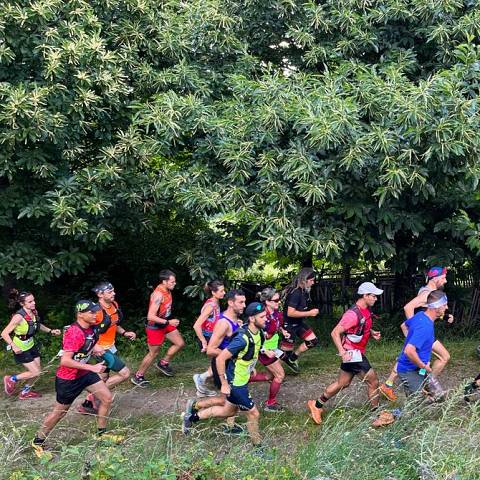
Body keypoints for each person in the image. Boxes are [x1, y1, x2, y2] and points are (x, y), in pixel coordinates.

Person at [32, 300, 121, 457]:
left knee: (107, 398)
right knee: (60, 413)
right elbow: (65, 360)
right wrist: (92, 367)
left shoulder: (92, 328)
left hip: (84, 374)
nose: (95, 315)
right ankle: (37, 442)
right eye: (92, 312)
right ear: (80, 314)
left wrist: (94, 349)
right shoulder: (74, 332)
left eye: (96, 311)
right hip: (68, 378)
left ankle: (101, 435)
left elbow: (87, 344)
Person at [182, 302, 269, 448]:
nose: (266, 319)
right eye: (262, 316)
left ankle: (191, 417)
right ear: (252, 319)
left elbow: (251, 351)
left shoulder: (259, 332)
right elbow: (221, 358)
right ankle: (258, 448)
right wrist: (224, 383)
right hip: (236, 383)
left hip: (243, 377)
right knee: (253, 414)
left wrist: (252, 365)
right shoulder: (241, 339)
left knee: (228, 411)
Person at [307, 282, 384, 425]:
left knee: (343, 383)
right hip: (352, 354)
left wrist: (371, 332)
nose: (376, 299)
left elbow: (360, 326)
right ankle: (378, 415)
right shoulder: (352, 314)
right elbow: (335, 332)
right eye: (373, 296)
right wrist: (342, 352)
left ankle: (316, 405)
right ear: (365, 295)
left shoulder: (366, 310)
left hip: (354, 352)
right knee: (373, 381)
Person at [379, 266, 451, 401]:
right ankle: (427, 384)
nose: (445, 281)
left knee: (412, 356)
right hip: (422, 331)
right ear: (435, 278)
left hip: (424, 331)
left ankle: (390, 384)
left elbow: (429, 311)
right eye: (443, 278)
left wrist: (445, 317)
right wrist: (413, 330)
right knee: (441, 356)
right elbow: (408, 307)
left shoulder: (433, 293)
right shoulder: (427, 293)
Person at [182, 289, 246, 433]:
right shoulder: (223, 323)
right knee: (228, 401)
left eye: (244, 302)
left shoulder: (235, 319)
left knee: (229, 400)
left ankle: (197, 408)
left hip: (231, 364)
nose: (244, 305)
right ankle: (193, 413)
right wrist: (232, 355)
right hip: (222, 364)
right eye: (241, 302)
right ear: (230, 303)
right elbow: (211, 349)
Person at [78, 282, 136, 414]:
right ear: (100, 294)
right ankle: (93, 396)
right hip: (101, 349)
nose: (113, 294)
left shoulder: (114, 305)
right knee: (125, 373)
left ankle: (88, 404)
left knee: (103, 377)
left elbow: (114, 324)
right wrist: (95, 347)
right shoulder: (95, 311)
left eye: (113, 291)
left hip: (111, 346)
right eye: (109, 292)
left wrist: (124, 332)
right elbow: (83, 331)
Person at [2, 290, 61, 399]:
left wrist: (50, 331)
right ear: (22, 304)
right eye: (30, 302)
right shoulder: (18, 317)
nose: (33, 303)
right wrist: (14, 346)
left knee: (37, 370)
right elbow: (4, 333)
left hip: (31, 345)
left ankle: (25, 392)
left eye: (33, 300)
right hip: (20, 347)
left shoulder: (34, 312)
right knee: (36, 372)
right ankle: (11, 379)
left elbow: (37, 325)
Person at [132, 270, 185, 385]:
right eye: (172, 282)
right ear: (164, 282)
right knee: (153, 353)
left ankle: (163, 363)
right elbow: (150, 316)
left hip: (164, 323)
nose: (174, 284)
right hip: (154, 326)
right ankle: (138, 376)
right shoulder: (158, 294)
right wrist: (168, 322)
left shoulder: (167, 290)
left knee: (179, 343)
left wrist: (167, 322)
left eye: (175, 281)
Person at [395, 290, 448, 399]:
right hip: (410, 370)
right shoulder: (425, 327)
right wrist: (423, 365)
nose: (446, 308)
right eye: (444, 305)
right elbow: (409, 351)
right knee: (415, 404)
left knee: (439, 396)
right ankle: (389, 416)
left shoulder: (421, 315)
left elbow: (403, 326)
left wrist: (410, 340)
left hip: (419, 369)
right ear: (436, 307)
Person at [249, 287, 288, 412]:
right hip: (265, 350)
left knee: (269, 376)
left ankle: (240, 380)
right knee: (280, 375)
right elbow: (255, 335)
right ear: (267, 302)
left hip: (273, 348)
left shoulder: (275, 312)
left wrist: (283, 331)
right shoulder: (262, 316)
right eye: (276, 300)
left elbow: (277, 324)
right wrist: (263, 350)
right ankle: (270, 403)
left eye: (279, 299)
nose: (279, 302)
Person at [281, 268, 319, 373]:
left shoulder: (304, 291)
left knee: (313, 341)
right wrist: (310, 313)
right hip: (289, 325)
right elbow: (290, 313)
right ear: (304, 280)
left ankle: (293, 358)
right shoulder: (295, 293)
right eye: (311, 280)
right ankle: (274, 373)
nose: (313, 282)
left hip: (298, 323)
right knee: (283, 354)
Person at [192, 280, 225, 397]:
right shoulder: (211, 306)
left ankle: (202, 379)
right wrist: (203, 342)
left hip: (214, 337)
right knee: (221, 357)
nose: (224, 293)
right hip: (208, 338)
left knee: (220, 359)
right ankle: (209, 382)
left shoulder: (215, 302)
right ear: (213, 292)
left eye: (224, 290)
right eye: (221, 291)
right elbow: (196, 325)